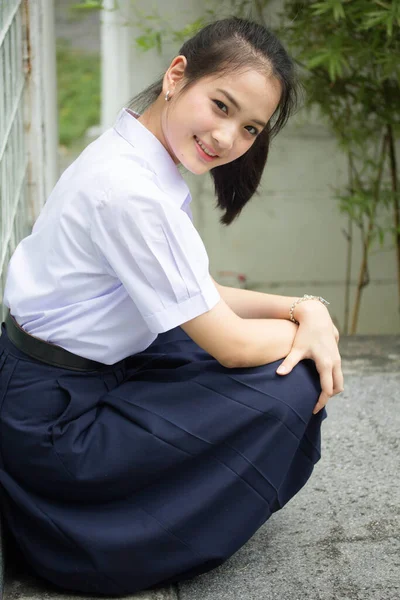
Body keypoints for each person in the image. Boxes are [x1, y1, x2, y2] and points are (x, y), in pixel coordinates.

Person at [0, 16, 343, 596]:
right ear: (176, 76)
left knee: (270, 359)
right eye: (222, 105)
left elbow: (193, 289)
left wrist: (302, 309)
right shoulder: (131, 191)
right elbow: (231, 345)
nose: (229, 138)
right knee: (292, 382)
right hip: (54, 424)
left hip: (67, 379)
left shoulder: (134, 149)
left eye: (251, 128)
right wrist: (310, 336)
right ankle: (111, 536)